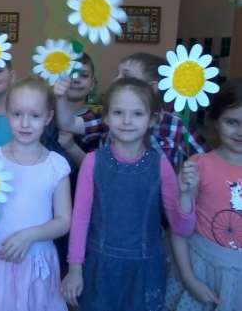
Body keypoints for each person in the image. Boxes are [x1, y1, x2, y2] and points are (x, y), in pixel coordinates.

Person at [61, 77, 198, 311]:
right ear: (106, 117)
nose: (126, 121)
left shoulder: (161, 164)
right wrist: (75, 268)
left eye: (137, 114)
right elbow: (80, 219)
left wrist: (186, 196)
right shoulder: (93, 162)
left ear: (152, 119)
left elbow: (182, 228)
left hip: (145, 270)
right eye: (118, 112)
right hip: (99, 267)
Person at [0, 76, 71, 311]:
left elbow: (63, 221)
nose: (25, 123)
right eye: (17, 114)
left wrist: (29, 235)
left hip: (35, 267)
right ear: (7, 115)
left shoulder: (56, 166)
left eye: (35, 115)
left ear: (48, 117)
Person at [55, 52, 209, 170]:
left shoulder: (177, 126)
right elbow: (68, 123)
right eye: (117, 74)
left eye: (126, 76)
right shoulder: (110, 117)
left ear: (152, 88)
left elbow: (209, 164)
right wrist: (60, 96)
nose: (116, 80)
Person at [166, 79, 242, 311]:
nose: (240, 132)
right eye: (232, 122)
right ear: (216, 121)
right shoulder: (198, 166)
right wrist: (189, 279)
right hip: (201, 270)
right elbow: (178, 229)